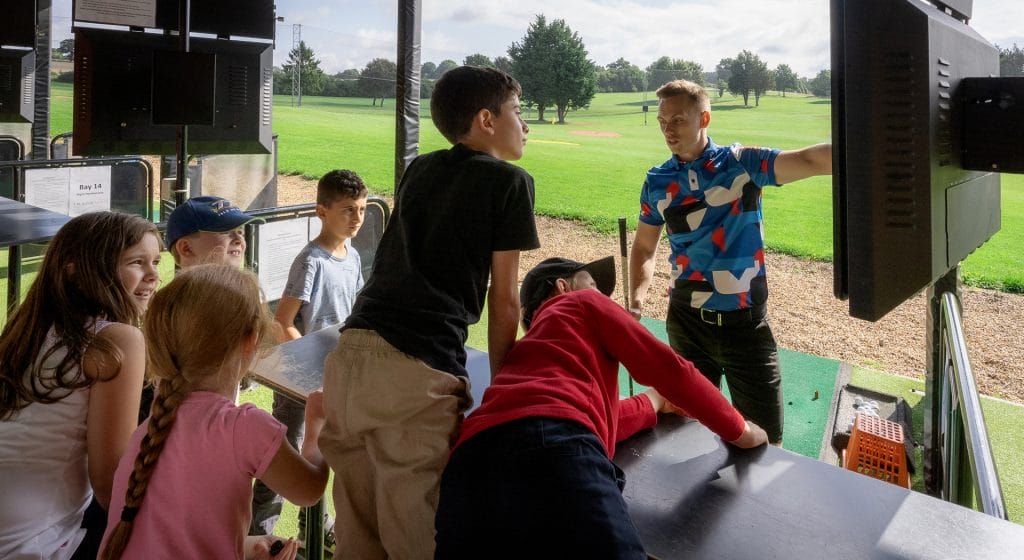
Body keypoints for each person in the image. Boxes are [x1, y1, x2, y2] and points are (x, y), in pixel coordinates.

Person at [319, 65, 540, 559]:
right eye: (518, 113)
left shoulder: (419, 168)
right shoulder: (511, 183)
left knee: (357, 539)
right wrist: (503, 394)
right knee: (421, 542)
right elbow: (505, 302)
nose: (525, 126)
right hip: (415, 376)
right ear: (487, 119)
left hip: (350, 360)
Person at [434, 256, 769, 558]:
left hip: (469, 462)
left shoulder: (529, 357)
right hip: (553, 449)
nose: (600, 295)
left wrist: (652, 402)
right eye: (593, 284)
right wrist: (739, 429)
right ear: (562, 287)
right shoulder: (581, 303)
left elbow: (596, 416)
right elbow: (670, 369)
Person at [629, 79, 832, 445]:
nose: (667, 130)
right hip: (687, 325)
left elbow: (808, 160)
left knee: (766, 440)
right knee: (683, 433)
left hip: (746, 328)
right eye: (662, 121)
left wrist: (872, 152)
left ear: (704, 117)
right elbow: (644, 247)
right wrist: (637, 297)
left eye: (677, 120)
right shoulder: (657, 181)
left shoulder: (742, 164)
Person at [99, 265, 328, 560]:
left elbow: (171, 536)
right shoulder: (244, 428)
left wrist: (246, 547)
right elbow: (308, 489)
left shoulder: (151, 428)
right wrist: (317, 426)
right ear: (251, 339)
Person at [0, 212, 159, 559]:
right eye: (137, 262)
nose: (154, 275)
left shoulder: (25, 332)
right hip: (30, 538)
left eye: (156, 261)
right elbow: (111, 483)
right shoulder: (118, 339)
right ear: (78, 270)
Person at [250, 169, 368, 540]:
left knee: (325, 453)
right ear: (322, 211)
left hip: (336, 374)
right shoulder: (310, 260)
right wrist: (305, 371)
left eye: (362, 209)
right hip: (300, 381)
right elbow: (282, 321)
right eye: (348, 210)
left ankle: (316, 525)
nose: (357, 219)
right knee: (286, 452)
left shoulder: (351, 256)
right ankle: (261, 531)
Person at [164, 195, 260, 269]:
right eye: (225, 232)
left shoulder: (241, 292)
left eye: (240, 232)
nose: (238, 240)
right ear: (186, 248)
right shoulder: (179, 295)